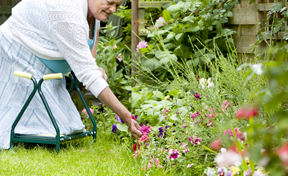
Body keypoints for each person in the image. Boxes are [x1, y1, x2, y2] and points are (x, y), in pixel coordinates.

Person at [0, 0, 142, 149]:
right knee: (35, 126)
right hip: (17, 46)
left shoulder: (94, 15)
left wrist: (95, 69)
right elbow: (88, 75)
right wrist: (126, 116)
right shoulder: (68, 13)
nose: (113, 9)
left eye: (117, 5)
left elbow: (88, 62)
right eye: (109, 2)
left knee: (62, 129)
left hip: (44, 59)